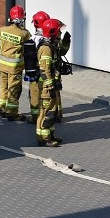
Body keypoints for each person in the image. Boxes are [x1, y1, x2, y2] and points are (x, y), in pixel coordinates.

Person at [0, 5, 32, 121]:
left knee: (3, 87)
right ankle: (12, 113)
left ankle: (2, 108)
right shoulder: (24, 34)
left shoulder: (2, 30)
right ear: (22, 19)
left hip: (2, 65)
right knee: (14, 89)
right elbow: (30, 46)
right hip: (15, 68)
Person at [35, 18, 64, 147]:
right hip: (47, 86)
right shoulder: (46, 49)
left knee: (51, 111)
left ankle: (50, 134)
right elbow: (44, 69)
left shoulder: (51, 46)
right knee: (45, 111)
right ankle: (43, 138)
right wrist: (50, 85)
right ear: (53, 32)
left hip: (52, 84)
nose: (60, 34)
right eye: (59, 32)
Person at [27, 11, 50, 124]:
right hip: (45, 72)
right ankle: (51, 114)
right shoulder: (48, 39)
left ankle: (35, 116)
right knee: (47, 94)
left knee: (35, 94)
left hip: (34, 72)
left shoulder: (33, 39)